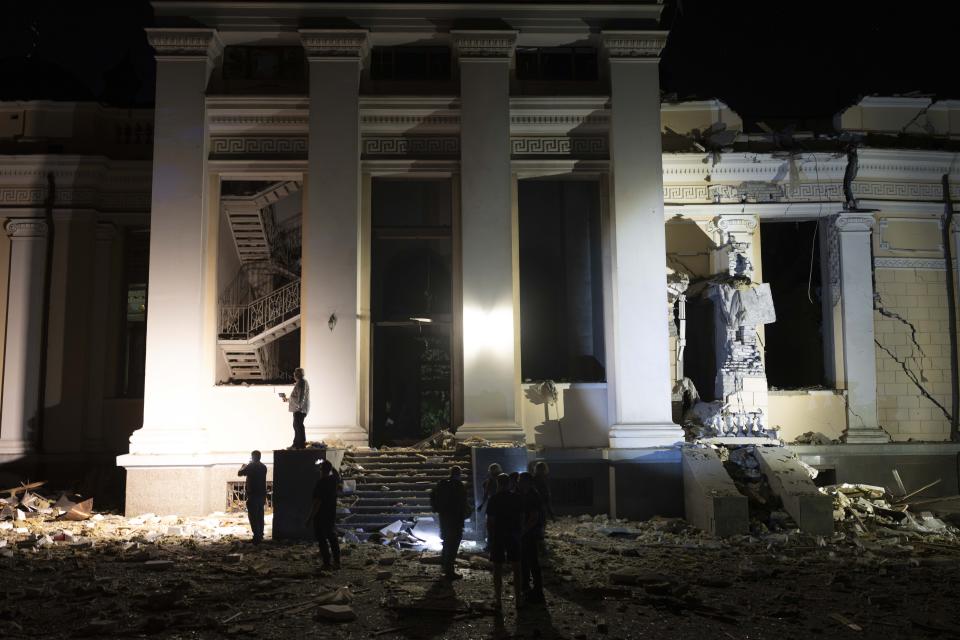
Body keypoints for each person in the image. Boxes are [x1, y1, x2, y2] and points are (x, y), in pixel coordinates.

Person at [485, 473, 523, 611]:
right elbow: (522, 516)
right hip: (513, 534)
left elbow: (490, 521)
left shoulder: (494, 499)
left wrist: (490, 538)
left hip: (498, 535)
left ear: (498, 484)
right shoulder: (516, 498)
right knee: (517, 568)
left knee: (497, 569)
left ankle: (498, 599)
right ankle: (518, 600)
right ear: (509, 484)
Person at [430, 465, 470, 580]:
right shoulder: (459, 486)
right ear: (459, 474)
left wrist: (437, 508)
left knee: (446, 541)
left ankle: (445, 566)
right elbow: (463, 503)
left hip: (444, 518)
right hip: (456, 520)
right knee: (453, 544)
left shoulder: (442, 484)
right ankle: (449, 570)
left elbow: (432, 495)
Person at [518, 472, 546, 604]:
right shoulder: (527, 494)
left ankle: (536, 589)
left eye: (521, 481)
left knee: (532, 561)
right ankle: (528, 587)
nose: (519, 483)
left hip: (530, 533)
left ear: (527, 482)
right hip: (528, 532)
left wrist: (523, 530)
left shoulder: (532, 496)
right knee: (526, 560)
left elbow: (534, 517)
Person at [309, 459, 340, 570]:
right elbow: (337, 474)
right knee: (332, 537)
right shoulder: (334, 480)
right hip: (331, 513)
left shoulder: (320, 483)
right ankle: (337, 562)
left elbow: (317, 502)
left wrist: (310, 517)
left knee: (322, 539)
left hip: (321, 515)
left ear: (321, 470)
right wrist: (329, 465)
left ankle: (327, 563)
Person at [237, 450, 267, 544]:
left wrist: (243, 466)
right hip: (262, 495)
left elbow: (240, 473)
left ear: (253, 457)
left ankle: (256, 537)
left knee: (253, 517)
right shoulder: (263, 467)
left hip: (253, 495)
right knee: (260, 516)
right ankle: (260, 535)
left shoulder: (251, 466)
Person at [282, 368, 310, 449]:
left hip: (299, 409)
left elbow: (302, 396)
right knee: (296, 425)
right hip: (298, 408)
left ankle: (300, 444)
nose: (294, 374)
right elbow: (296, 397)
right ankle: (297, 443)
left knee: (298, 426)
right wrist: (287, 399)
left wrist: (299, 406)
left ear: (298, 374)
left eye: (295, 373)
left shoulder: (302, 382)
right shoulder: (300, 382)